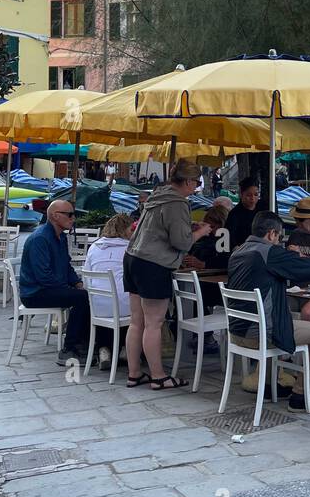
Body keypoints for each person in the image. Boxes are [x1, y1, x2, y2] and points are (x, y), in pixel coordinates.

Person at [226, 211, 310, 413]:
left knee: (273, 319)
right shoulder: (269, 252)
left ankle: (269, 387)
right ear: (271, 234)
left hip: (236, 332)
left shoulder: (237, 251)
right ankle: (302, 395)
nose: (279, 241)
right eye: (279, 237)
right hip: (259, 334)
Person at [124, 159, 211, 390]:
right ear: (189, 181)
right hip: (153, 264)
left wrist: (187, 226)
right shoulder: (178, 203)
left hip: (132, 258)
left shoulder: (157, 195)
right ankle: (159, 376)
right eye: (197, 183)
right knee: (154, 323)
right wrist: (201, 232)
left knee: (137, 321)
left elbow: (162, 228)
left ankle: (134, 373)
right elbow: (181, 242)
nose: (196, 188)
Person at [20, 200, 99, 368]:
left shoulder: (60, 237)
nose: (73, 218)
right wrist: (69, 289)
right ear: (55, 216)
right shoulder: (40, 238)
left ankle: (85, 345)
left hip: (49, 288)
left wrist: (77, 283)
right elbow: (44, 277)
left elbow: (66, 266)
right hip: (36, 293)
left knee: (85, 295)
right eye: (69, 214)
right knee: (81, 299)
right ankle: (70, 349)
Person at [84, 212, 136, 370]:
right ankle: (127, 349)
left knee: (108, 304)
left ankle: (103, 349)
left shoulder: (94, 247)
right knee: (142, 306)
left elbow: (86, 279)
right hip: (123, 304)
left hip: (97, 305)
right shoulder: (130, 248)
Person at [225, 177, 266, 250]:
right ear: (241, 194)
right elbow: (229, 238)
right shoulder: (235, 214)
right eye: (248, 195)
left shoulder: (263, 207)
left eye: (256, 195)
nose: (252, 198)